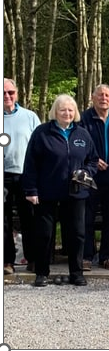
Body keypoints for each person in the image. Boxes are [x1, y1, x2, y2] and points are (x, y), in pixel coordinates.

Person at [22, 94, 99, 287]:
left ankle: (77, 272)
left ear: (75, 113)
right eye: (63, 110)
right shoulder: (42, 133)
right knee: (45, 233)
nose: (67, 113)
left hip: (76, 192)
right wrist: (31, 190)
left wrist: (86, 172)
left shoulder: (82, 133)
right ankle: (42, 272)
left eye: (70, 110)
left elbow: (93, 159)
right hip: (47, 192)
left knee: (77, 233)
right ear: (55, 112)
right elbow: (31, 163)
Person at [79, 84, 109, 271]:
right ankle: (87, 256)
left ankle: (107, 256)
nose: (104, 98)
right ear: (93, 98)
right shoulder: (83, 120)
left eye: (107, 95)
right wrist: (92, 159)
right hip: (90, 177)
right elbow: (77, 145)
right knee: (87, 218)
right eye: (100, 95)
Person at [3, 78, 41, 275]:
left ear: (17, 93)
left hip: (26, 175)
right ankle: (7, 261)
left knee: (30, 219)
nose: (7, 96)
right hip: (3, 176)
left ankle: (33, 259)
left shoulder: (30, 117)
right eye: (4, 93)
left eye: (11, 92)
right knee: (4, 221)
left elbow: (40, 146)